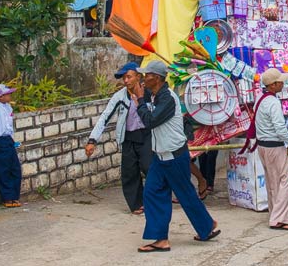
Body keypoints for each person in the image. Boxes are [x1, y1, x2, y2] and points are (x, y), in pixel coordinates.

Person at [133, 61, 220, 253]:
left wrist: (139, 100)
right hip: (161, 157)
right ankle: (162, 238)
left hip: (174, 156)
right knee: (152, 193)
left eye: (147, 75)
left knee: (185, 194)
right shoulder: (155, 95)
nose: (144, 78)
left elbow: (150, 121)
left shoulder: (167, 99)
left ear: (157, 78)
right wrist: (136, 91)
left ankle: (207, 225)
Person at [85, 61, 152, 214]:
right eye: (124, 78)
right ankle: (137, 204)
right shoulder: (120, 96)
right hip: (128, 138)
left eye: (129, 77)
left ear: (138, 77)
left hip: (147, 136)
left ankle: (155, 199)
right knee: (129, 172)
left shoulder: (149, 93)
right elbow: (105, 117)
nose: (126, 81)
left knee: (150, 168)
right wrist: (92, 140)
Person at [255, 68, 288, 231]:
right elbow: (280, 128)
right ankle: (280, 218)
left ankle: (276, 214)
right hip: (274, 146)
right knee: (285, 180)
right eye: (280, 82)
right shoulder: (273, 102)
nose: (283, 84)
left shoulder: (260, 99)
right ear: (273, 85)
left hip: (263, 145)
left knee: (273, 182)